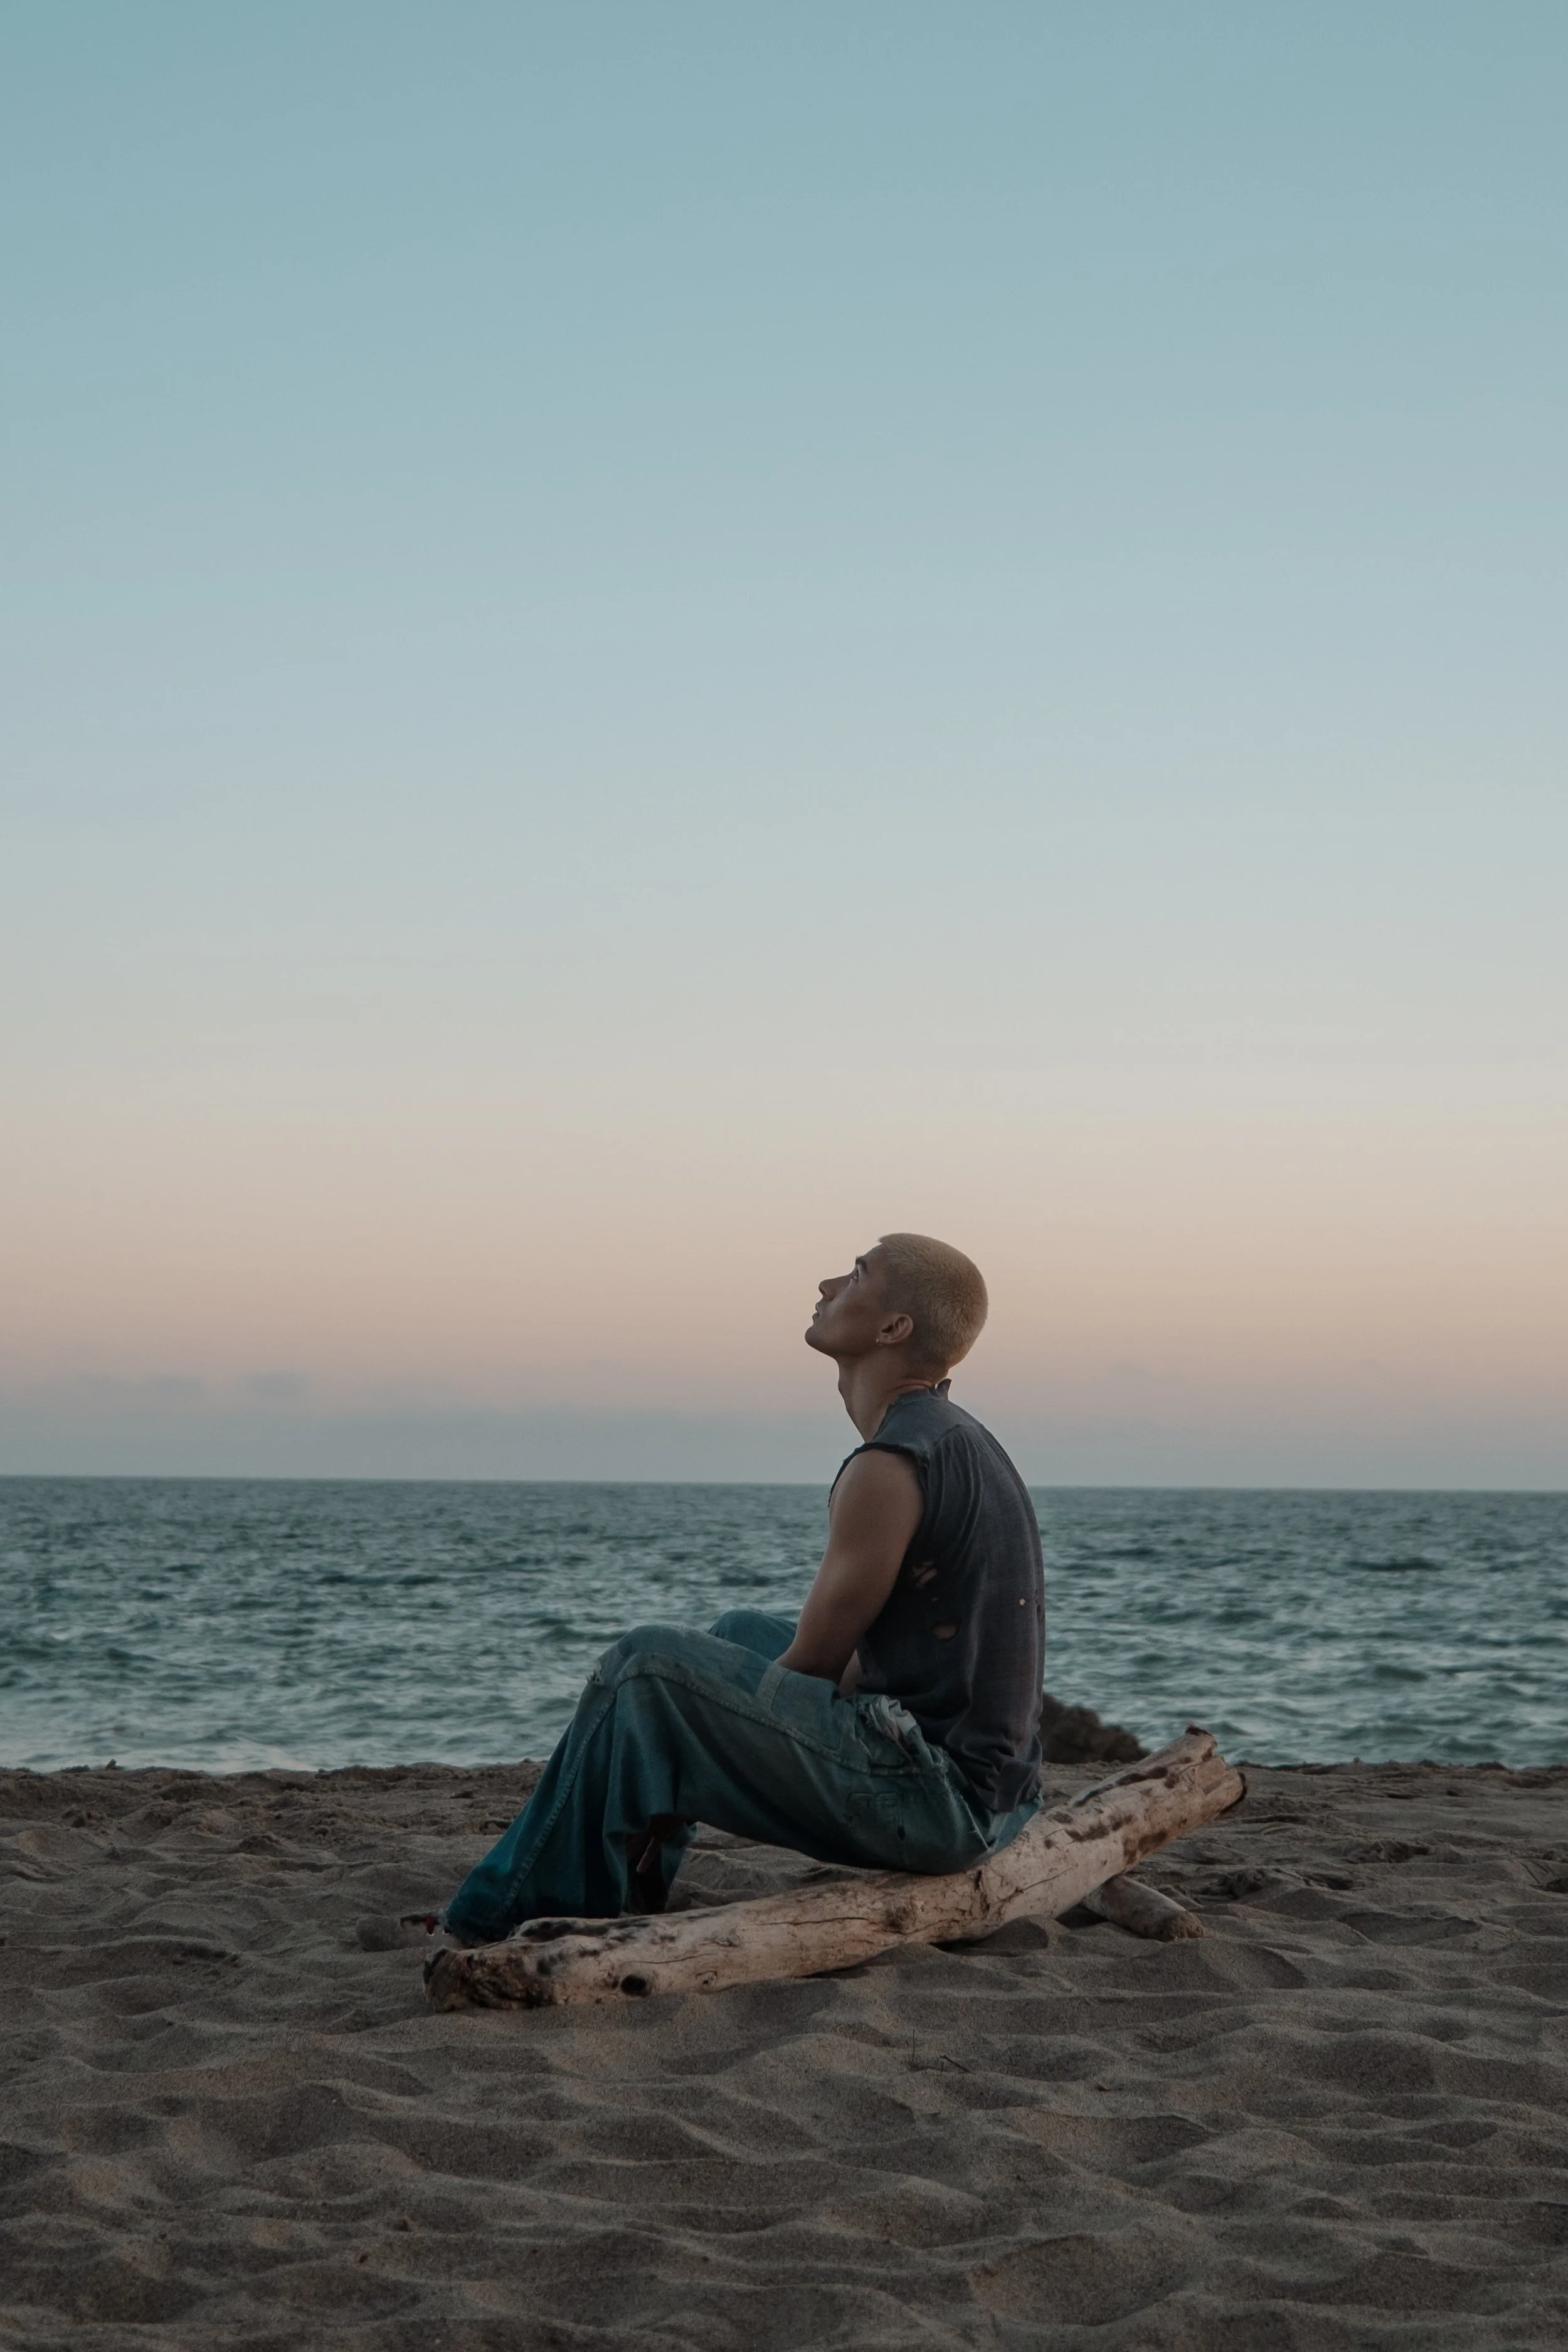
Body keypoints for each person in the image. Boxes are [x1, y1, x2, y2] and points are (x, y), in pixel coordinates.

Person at [438, 1232, 1045, 1944]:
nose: (825, 1286)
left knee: (645, 1668)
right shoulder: (952, 1436)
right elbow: (871, 1661)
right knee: (735, 1636)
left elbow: (815, 1668)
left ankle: (500, 1917)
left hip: (942, 1806)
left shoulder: (889, 1465)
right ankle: (623, 1881)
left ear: (892, 1329)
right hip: (997, 1796)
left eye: (854, 1274)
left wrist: (705, 1718)